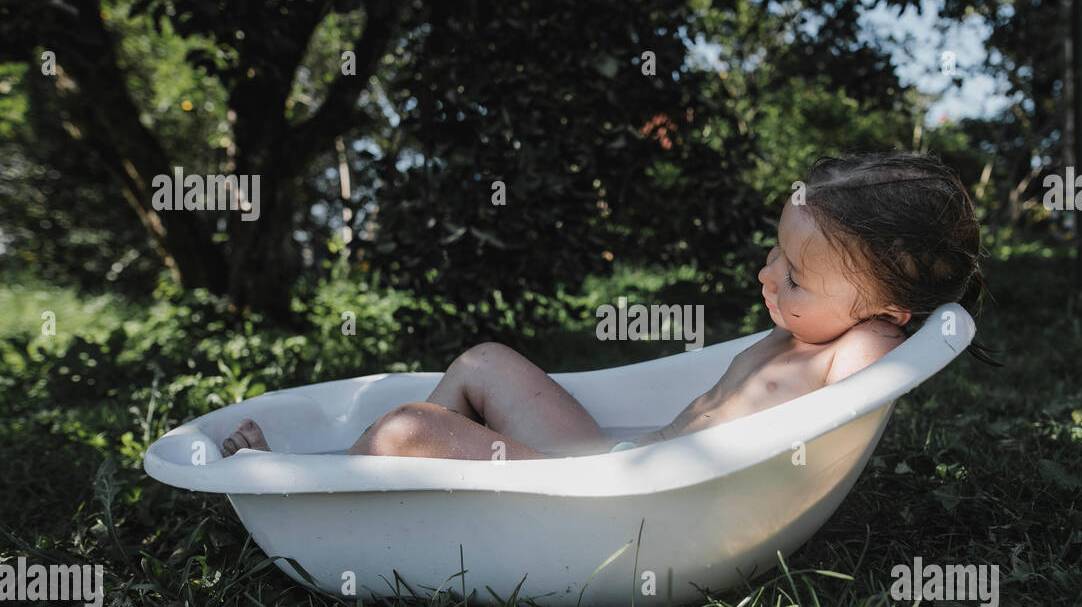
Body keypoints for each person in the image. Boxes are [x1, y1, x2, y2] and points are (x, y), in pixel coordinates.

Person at [221, 150, 996, 462]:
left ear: (886, 310)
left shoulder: (853, 350)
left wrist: (931, 318)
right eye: (775, 253)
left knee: (404, 427)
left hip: (630, 507)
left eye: (794, 277)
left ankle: (311, 480)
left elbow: (888, 365)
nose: (766, 278)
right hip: (613, 463)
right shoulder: (801, 336)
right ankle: (419, 493)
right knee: (484, 361)